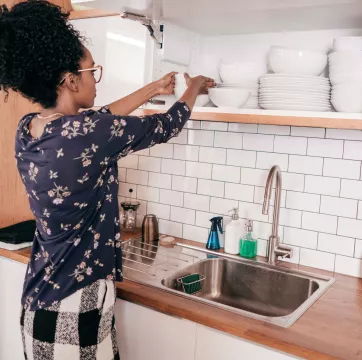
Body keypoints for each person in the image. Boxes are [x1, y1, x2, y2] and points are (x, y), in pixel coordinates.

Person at [0, 1, 214, 359]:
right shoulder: (88, 134)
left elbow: (99, 121)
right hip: (74, 305)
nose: (95, 79)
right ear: (70, 80)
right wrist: (192, 88)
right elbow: (165, 126)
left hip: (40, 300)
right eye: (91, 71)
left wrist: (153, 88)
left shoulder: (30, 129)